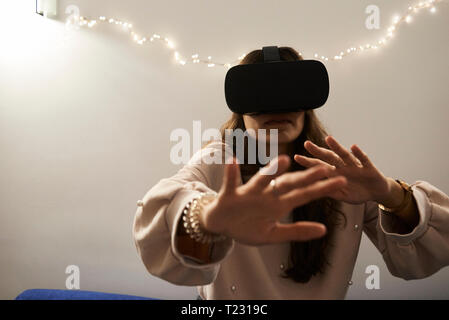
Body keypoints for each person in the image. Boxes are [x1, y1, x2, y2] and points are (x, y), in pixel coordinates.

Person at [132, 47, 449, 299]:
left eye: (289, 95)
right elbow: (169, 200)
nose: (275, 108)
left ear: (307, 103)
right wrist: (205, 217)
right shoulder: (218, 161)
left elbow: (425, 257)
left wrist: (391, 194)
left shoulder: (342, 173)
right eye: (260, 97)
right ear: (240, 108)